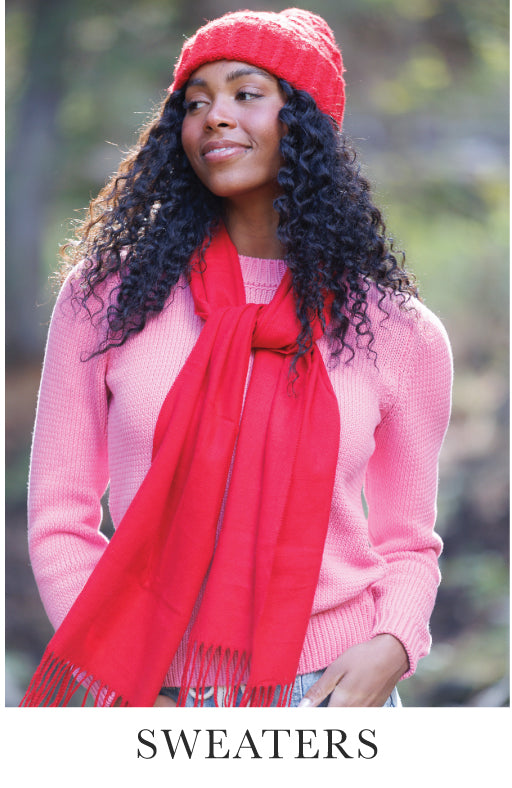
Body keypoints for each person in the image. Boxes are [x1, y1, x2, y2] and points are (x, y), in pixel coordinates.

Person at [21, 8, 452, 708]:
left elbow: (408, 541)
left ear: (304, 123)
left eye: (246, 93)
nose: (215, 116)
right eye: (195, 103)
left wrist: (394, 645)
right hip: (147, 688)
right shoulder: (110, 296)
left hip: (332, 692)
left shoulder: (397, 331)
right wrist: (119, 679)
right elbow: (59, 518)